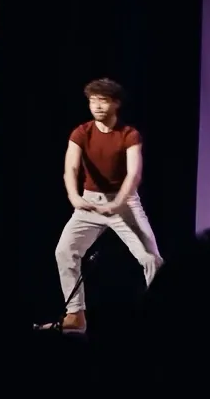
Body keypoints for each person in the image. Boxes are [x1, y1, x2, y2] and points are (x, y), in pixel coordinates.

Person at [52, 78, 162, 330]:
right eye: (93, 101)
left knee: (150, 259)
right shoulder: (81, 132)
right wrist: (74, 197)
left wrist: (118, 204)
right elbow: (71, 167)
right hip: (89, 203)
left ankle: (159, 315)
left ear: (116, 103)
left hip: (125, 204)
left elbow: (134, 174)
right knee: (65, 252)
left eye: (103, 100)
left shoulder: (128, 134)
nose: (97, 106)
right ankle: (75, 314)